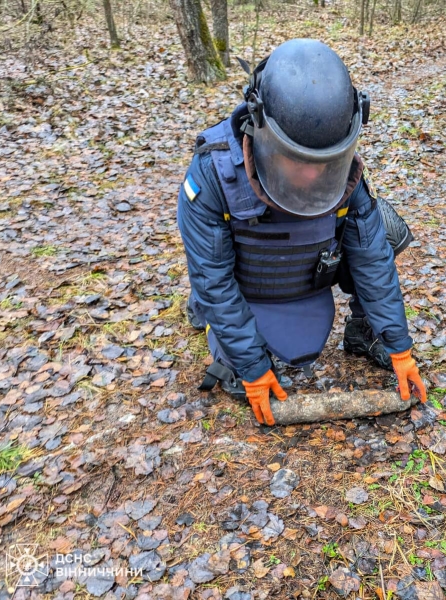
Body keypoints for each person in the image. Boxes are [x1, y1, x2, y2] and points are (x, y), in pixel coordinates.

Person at [176, 38, 427, 426]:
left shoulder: (345, 175)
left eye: (323, 163)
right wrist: (253, 367)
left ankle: (365, 332)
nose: (312, 175)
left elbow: (373, 259)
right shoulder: (212, 175)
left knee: (384, 230)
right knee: (238, 363)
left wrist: (399, 347)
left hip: (309, 279)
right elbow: (213, 279)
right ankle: (231, 344)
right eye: (297, 160)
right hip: (249, 288)